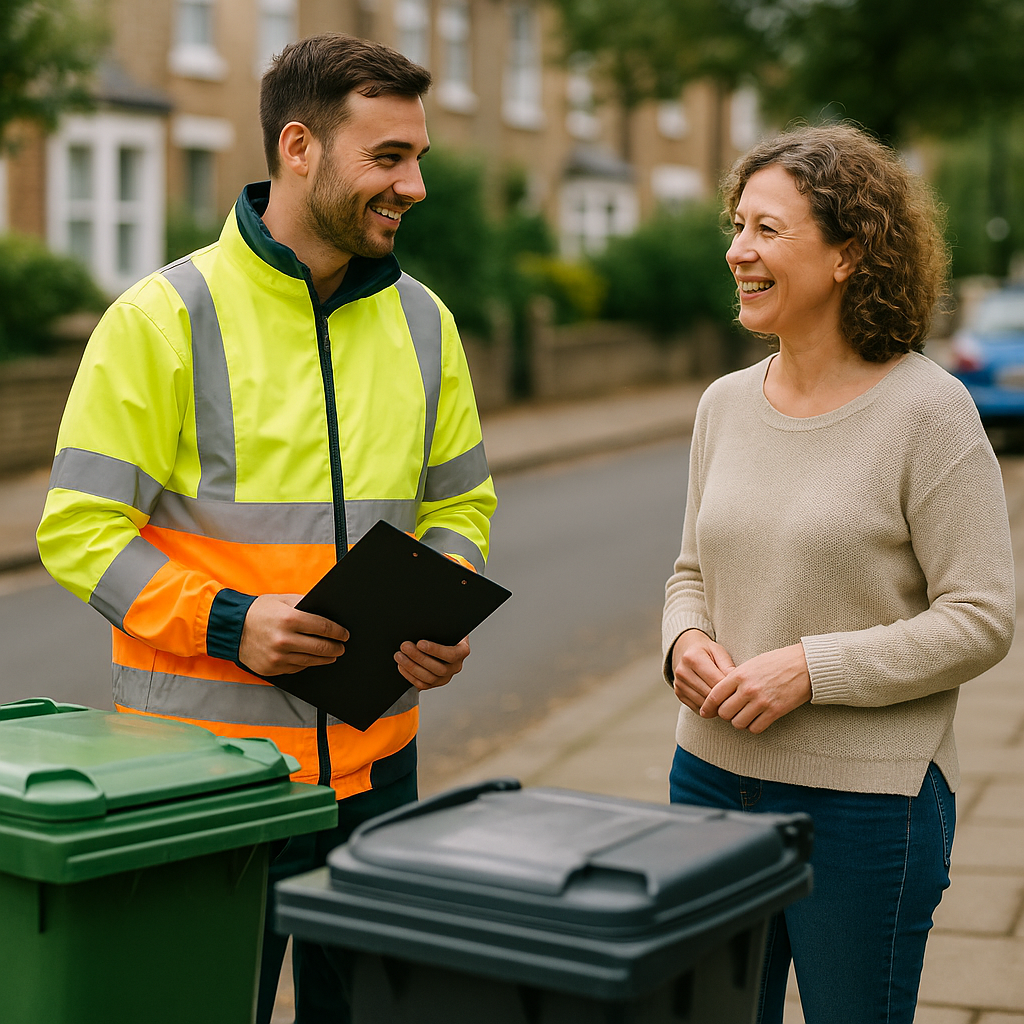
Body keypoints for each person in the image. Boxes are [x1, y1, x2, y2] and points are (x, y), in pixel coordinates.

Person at [36, 33, 496, 1023]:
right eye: (388, 157)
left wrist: (443, 600)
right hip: (206, 783)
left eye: (418, 158)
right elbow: (77, 529)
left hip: (376, 771)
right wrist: (228, 620)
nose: (413, 184)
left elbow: (460, 502)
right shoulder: (164, 318)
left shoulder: (425, 323)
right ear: (299, 148)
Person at [662, 124, 1015, 1024]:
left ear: (850, 252)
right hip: (707, 778)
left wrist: (812, 667)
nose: (738, 250)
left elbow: (982, 617)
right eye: (736, 226)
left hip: (866, 808)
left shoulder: (929, 413)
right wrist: (684, 641)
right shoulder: (724, 405)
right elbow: (691, 568)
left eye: (767, 230)